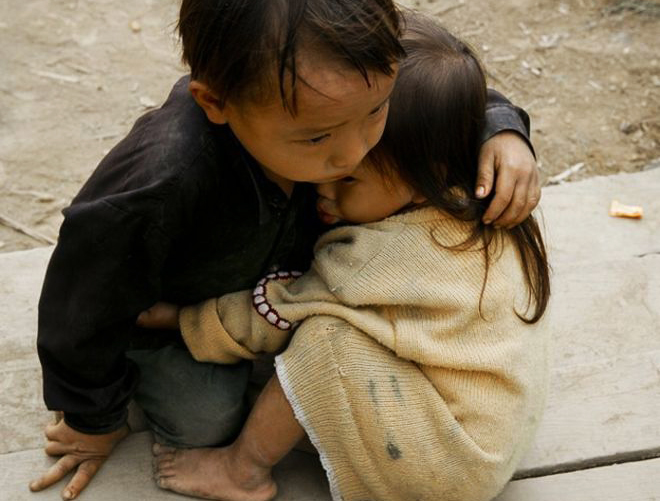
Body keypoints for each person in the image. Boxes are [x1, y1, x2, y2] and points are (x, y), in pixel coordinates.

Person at [30, 1, 541, 499]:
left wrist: (500, 127)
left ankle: (253, 435)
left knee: (291, 366)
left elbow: (438, 78)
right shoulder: (160, 184)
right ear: (215, 103)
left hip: (283, 312)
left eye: (377, 110)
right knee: (205, 420)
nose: (354, 154)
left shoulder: (338, 88)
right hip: (170, 316)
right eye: (317, 138)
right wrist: (91, 418)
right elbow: (82, 301)